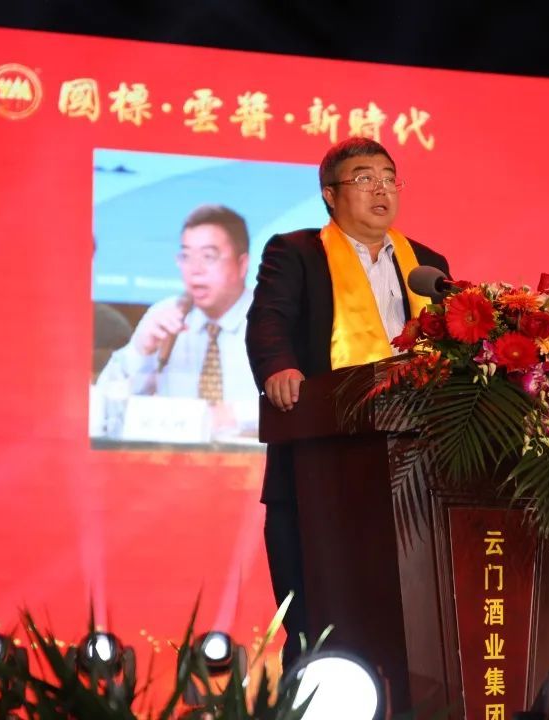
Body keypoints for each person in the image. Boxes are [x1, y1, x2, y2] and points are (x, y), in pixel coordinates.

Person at [246, 138, 451, 666]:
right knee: (319, 627)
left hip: (416, 473)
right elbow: (268, 319)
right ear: (330, 195)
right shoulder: (297, 253)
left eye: (388, 177)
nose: (381, 189)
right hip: (318, 467)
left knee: (411, 625)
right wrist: (279, 367)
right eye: (364, 178)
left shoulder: (428, 267)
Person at [98, 204, 260, 440]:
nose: (195, 269)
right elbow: (104, 411)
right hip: (172, 460)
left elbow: (306, 405)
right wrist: (139, 351)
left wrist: (234, 416)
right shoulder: (166, 316)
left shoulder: (279, 320)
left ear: (242, 264)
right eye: (186, 256)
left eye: (208, 257)